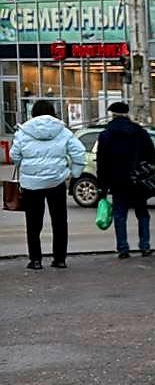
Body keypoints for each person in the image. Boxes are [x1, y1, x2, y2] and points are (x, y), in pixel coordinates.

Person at [12, 99, 85, 270]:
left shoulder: (23, 131)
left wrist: (25, 167)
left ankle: (35, 260)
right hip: (57, 181)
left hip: (31, 185)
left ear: (33, 113)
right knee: (59, 222)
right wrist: (74, 174)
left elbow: (15, 155)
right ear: (52, 112)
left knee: (33, 223)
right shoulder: (63, 131)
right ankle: (60, 259)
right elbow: (79, 152)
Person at [95, 102, 155, 259]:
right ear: (127, 113)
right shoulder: (140, 132)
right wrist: (144, 172)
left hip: (118, 181)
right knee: (142, 213)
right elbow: (152, 156)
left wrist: (102, 187)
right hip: (139, 181)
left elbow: (102, 163)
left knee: (120, 215)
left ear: (112, 114)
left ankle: (123, 248)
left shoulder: (106, 135)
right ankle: (145, 246)